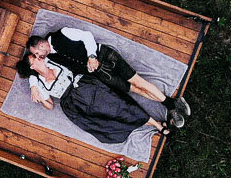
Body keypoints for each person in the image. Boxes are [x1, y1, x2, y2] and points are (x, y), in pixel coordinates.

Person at [26, 28, 190, 127]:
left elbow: (87, 36)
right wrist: (33, 86)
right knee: (134, 89)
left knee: (137, 81)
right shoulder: (48, 59)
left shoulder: (61, 33)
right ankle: (173, 103)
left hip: (105, 57)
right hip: (99, 75)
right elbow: (33, 71)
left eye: (36, 53)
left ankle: (171, 105)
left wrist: (91, 56)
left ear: (41, 45)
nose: (37, 57)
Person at [16, 51, 170, 144]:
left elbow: (34, 74)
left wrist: (32, 84)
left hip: (85, 86)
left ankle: (156, 125)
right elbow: (49, 106)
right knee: (107, 121)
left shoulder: (51, 60)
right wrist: (38, 94)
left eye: (37, 55)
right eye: (35, 58)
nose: (39, 57)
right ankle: (153, 123)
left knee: (120, 105)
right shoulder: (40, 84)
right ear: (32, 67)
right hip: (74, 104)